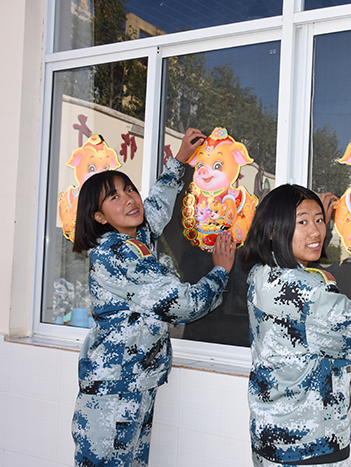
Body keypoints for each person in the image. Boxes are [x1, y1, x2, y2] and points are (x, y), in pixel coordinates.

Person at [71, 128, 236, 467]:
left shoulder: (132, 238)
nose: (130, 199)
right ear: (99, 216)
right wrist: (220, 271)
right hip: (114, 393)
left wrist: (180, 160)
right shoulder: (117, 254)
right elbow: (184, 305)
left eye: (129, 189)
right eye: (114, 197)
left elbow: (156, 209)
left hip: (133, 384)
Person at [239, 184, 351, 467]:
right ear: (273, 231)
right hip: (309, 448)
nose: (316, 231)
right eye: (302, 222)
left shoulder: (261, 274)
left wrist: (310, 226)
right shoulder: (310, 294)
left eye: (318, 220)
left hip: (270, 437)